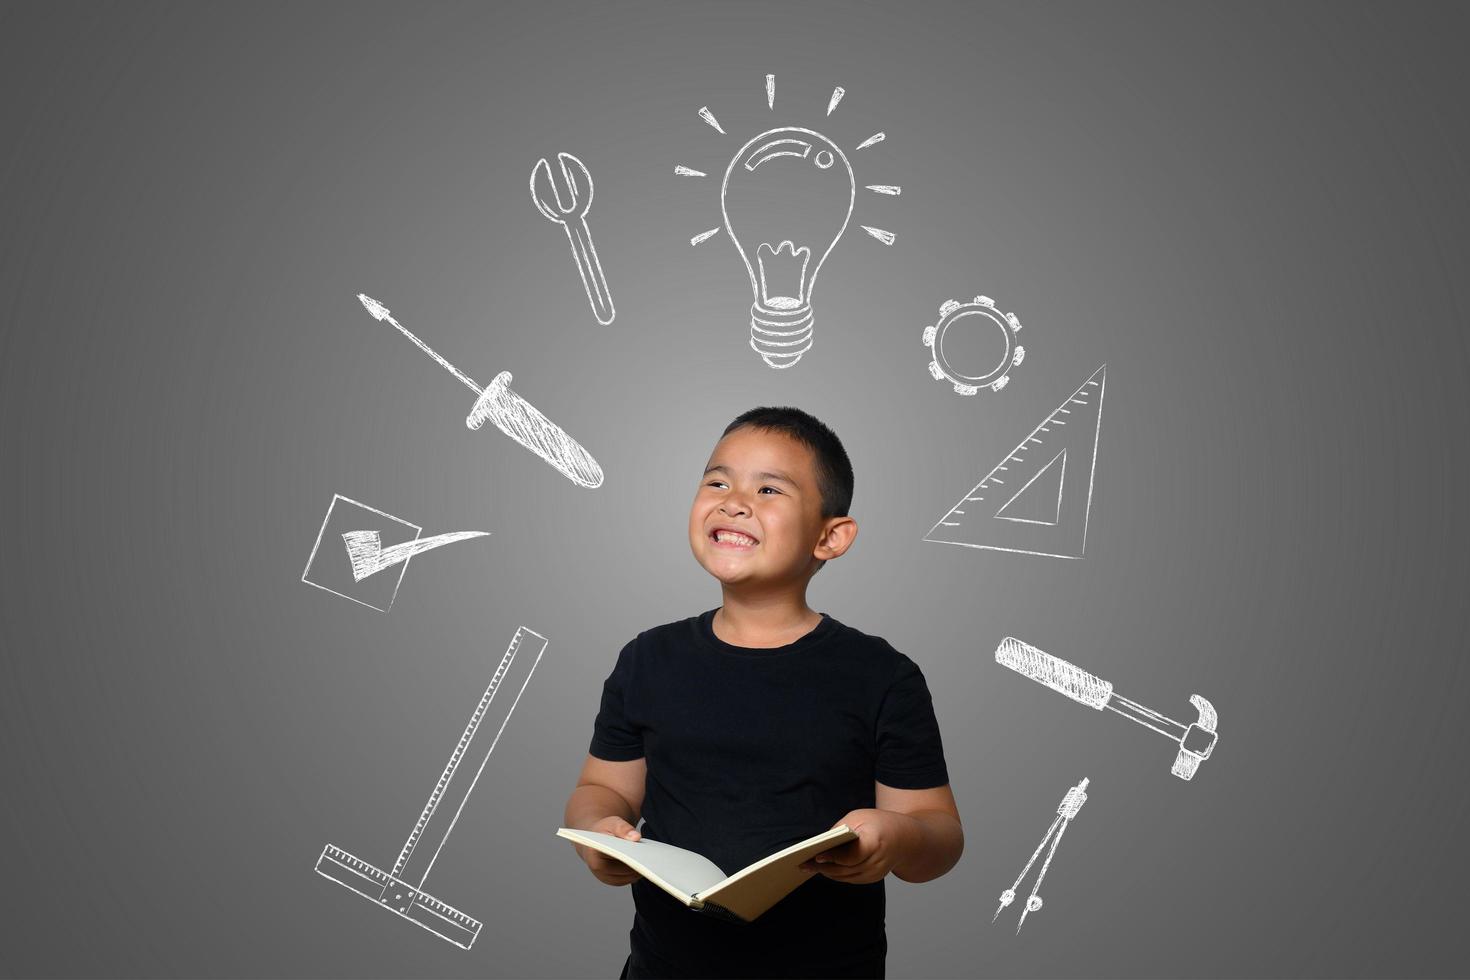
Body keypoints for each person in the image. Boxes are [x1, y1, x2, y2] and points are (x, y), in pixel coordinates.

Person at [562, 407, 963, 979]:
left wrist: (895, 837)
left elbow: (939, 836)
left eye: (769, 488)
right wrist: (599, 832)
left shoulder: (882, 675)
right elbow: (600, 788)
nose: (733, 500)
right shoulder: (646, 660)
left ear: (830, 536)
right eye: (717, 481)